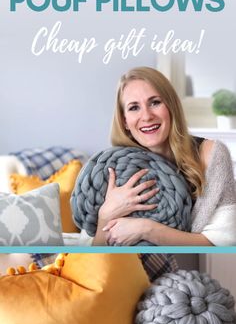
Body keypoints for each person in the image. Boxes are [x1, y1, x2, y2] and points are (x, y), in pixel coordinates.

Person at [92, 67, 236, 246]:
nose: (146, 116)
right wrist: (105, 216)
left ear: (171, 107)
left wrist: (147, 229)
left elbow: (225, 240)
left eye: (155, 102)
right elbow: (94, 254)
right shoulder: (115, 168)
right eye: (134, 107)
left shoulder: (212, 154)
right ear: (124, 121)